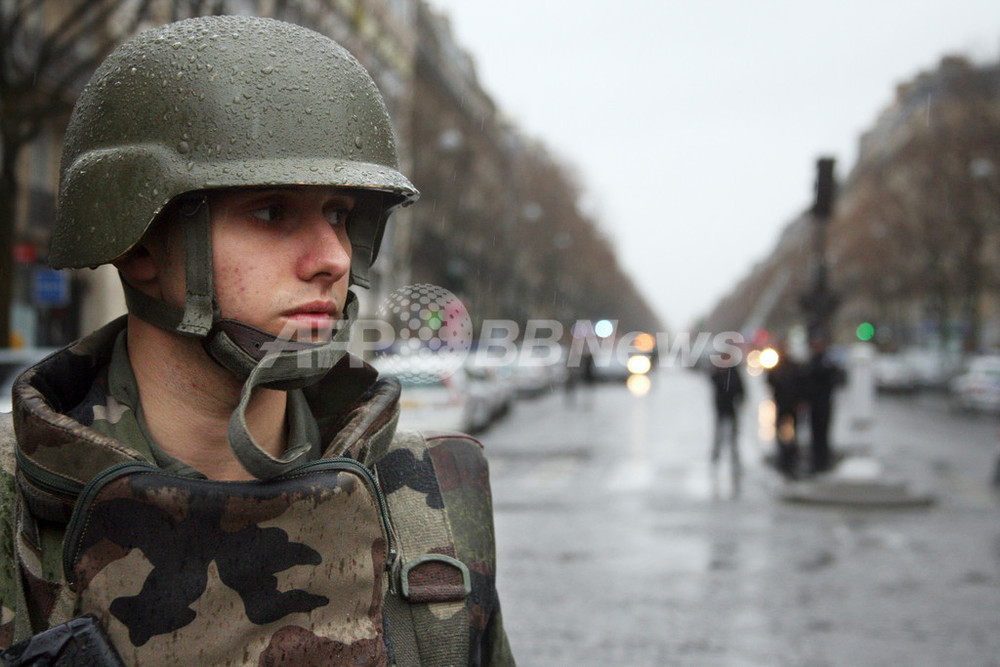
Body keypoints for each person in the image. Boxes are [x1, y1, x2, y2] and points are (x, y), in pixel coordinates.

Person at [0, 16, 513, 665]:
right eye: (271, 211)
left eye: (340, 214)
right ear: (139, 245)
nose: (332, 257)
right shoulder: (14, 510)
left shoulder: (431, 508)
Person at [766, 342, 802, 479]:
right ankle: (783, 459)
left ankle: (791, 459)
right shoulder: (777, 367)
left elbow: (799, 384)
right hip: (782, 404)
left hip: (791, 405)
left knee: (792, 434)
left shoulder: (792, 366)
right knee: (781, 434)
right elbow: (770, 382)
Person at [708, 359, 744, 475]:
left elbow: (740, 390)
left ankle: (733, 455)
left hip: (730, 408)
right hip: (721, 408)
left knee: (732, 434)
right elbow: (713, 380)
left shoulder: (733, 373)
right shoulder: (719, 374)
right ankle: (716, 454)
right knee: (719, 434)